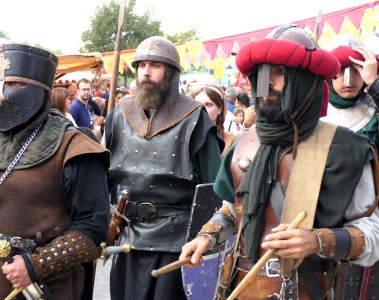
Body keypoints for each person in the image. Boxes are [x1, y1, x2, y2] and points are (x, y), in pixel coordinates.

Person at [180, 24, 379, 299]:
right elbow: (234, 209)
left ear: (305, 81)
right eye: (262, 74)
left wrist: (316, 241)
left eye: (280, 72)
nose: (268, 82)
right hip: (240, 286)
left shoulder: (345, 149)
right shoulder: (246, 141)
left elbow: (372, 235)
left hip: (306, 289)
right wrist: (207, 236)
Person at [0, 44, 110, 299]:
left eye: (16, 82)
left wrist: (38, 264)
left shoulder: (75, 148)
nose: (2, 92)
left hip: (35, 290)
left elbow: (94, 228)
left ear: (41, 89)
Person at [105, 36, 222, 300]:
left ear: (170, 73)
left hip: (176, 243)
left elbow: (214, 189)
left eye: (155, 65)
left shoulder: (196, 118)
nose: (146, 71)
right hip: (128, 240)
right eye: (142, 64)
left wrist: (205, 241)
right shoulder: (119, 114)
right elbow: (105, 178)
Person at [321, 43, 379, 299]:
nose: (348, 79)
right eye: (341, 71)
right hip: (326, 220)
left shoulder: (374, 108)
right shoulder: (316, 113)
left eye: (355, 71)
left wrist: (375, 83)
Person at [192, 84, 236, 158]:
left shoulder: (232, 142)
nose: (202, 109)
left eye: (208, 105)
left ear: (219, 109)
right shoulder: (186, 138)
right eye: (197, 105)